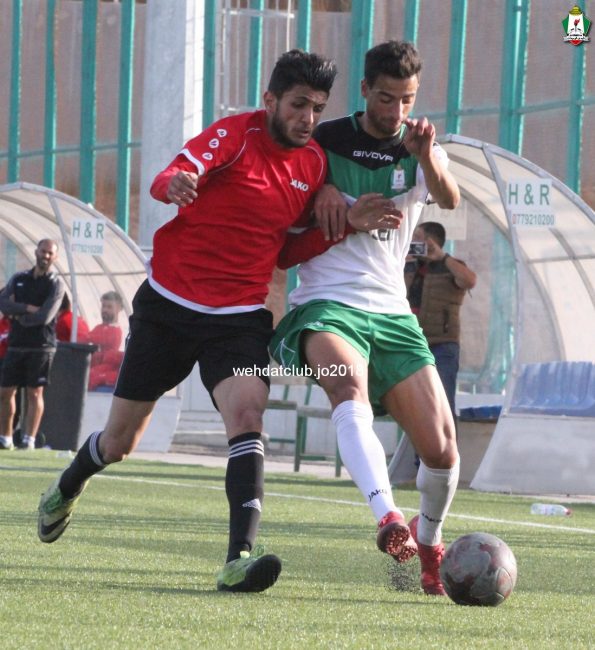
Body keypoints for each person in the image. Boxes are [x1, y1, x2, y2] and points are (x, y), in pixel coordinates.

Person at [37, 49, 338, 594]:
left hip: (240, 317)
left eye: (318, 108)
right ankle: (68, 485)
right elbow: (173, 174)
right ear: (270, 100)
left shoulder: (314, 164)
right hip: (170, 309)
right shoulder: (235, 136)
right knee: (119, 443)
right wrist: (174, 183)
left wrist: (343, 225)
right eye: (299, 104)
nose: (308, 118)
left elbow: (287, 251)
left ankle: (238, 559)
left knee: (247, 414)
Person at [271, 41, 461, 595]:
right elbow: (290, 204)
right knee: (346, 387)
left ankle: (429, 540)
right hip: (328, 303)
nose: (395, 111)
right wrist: (322, 190)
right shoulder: (323, 142)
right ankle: (388, 518)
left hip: (392, 312)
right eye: (385, 98)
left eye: (406, 100)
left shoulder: (420, 146)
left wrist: (426, 156)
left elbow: (449, 199)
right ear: (364, 91)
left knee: (442, 451)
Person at [405, 221, 476, 422]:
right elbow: (398, 293)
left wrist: (442, 257)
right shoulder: (410, 265)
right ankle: (419, 444)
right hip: (412, 343)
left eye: (417, 237)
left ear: (431, 241)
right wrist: (407, 264)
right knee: (414, 404)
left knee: (443, 401)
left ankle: (448, 442)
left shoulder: (451, 265)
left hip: (442, 344)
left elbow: (469, 281)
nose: (413, 241)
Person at [0, 239, 65, 450]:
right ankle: (5, 438)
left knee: (34, 393)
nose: (45, 256)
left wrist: (18, 315)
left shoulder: (56, 284)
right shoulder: (19, 278)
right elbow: (3, 303)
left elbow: (45, 316)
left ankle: (29, 440)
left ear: (55, 257)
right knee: (6, 392)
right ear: (36, 251)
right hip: (16, 344)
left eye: (50, 253)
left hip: (41, 346)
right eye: (43, 251)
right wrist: (27, 308)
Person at [87, 291, 124, 391]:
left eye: (109, 307)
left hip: (103, 373)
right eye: (103, 306)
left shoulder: (114, 331)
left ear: (118, 309)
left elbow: (89, 339)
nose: (105, 310)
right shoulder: (99, 328)